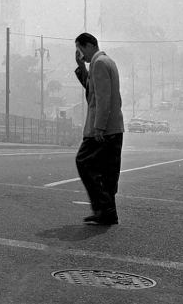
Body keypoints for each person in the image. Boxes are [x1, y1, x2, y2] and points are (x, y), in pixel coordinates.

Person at [73, 32, 124, 225]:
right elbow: (93, 90)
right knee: (106, 170)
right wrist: (81, 67)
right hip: (113, 127)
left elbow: (103, 99)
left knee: (84, 161)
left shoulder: (99, 63)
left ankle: (103, 208)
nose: (80, 54)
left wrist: (99, 128)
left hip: (103, 128)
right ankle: (108, 213)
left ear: (88, 45)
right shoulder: (106, 61)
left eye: (79, 49)